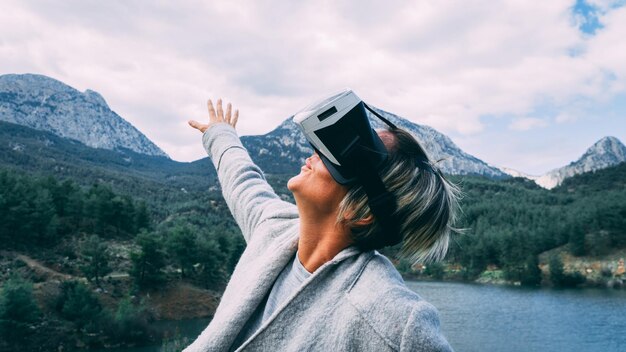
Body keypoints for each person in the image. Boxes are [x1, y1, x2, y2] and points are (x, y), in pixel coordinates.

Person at [185, 98, 459, 352]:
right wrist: (221, 134)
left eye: (341, 156)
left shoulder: (391, 315)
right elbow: (244, 183)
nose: (316, 151)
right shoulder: (275, 230)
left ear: (359, 210)